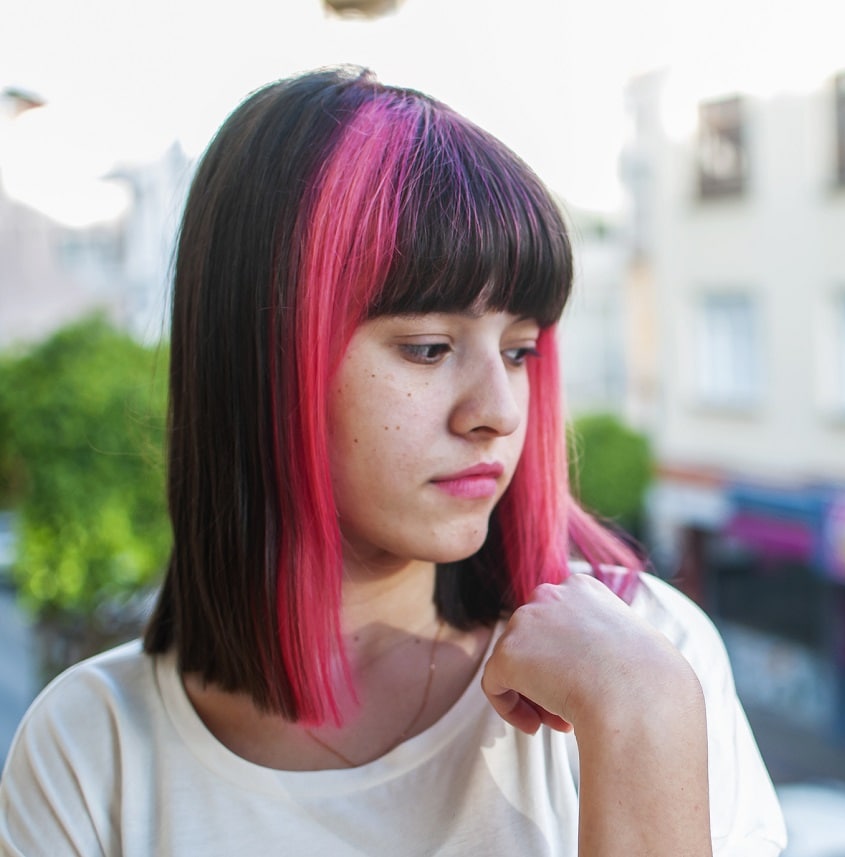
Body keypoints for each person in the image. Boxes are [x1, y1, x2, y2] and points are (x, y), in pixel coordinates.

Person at [0, 67, 786, 856]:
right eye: (428, 347)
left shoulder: (644, 656)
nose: (498, 412)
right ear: (261, 358)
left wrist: (643, 725)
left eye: (519, 351)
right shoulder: (90, 754)